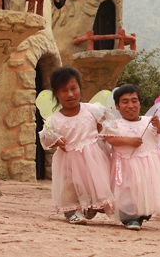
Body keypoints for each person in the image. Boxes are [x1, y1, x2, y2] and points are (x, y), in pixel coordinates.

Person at [38, 66, 115, 224]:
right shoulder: (54, 119)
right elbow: (46, 138)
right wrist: (57, 140)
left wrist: (103, 132)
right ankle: (72, 211)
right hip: (69, 159)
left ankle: (93, 206)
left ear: (80, 87)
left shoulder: (92, 110)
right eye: (64, 90)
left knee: (97, 183)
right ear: (56, 94)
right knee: (70, 187)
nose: (70, 94)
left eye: (74, 88)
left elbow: (110, 123)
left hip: (95, 157)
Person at [102, 84, 160, 230]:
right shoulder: (114, 124)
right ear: (117, 106)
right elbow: (111, 139)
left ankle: (142, 215)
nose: (130, 105)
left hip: (148, 167)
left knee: (146, 192)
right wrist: (129, 141)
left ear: (139, 103)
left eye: (134, 101)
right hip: (126, 165)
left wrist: (159, 124)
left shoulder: (149, 121)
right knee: (127, 192)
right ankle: (130, 218)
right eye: (125, 102)